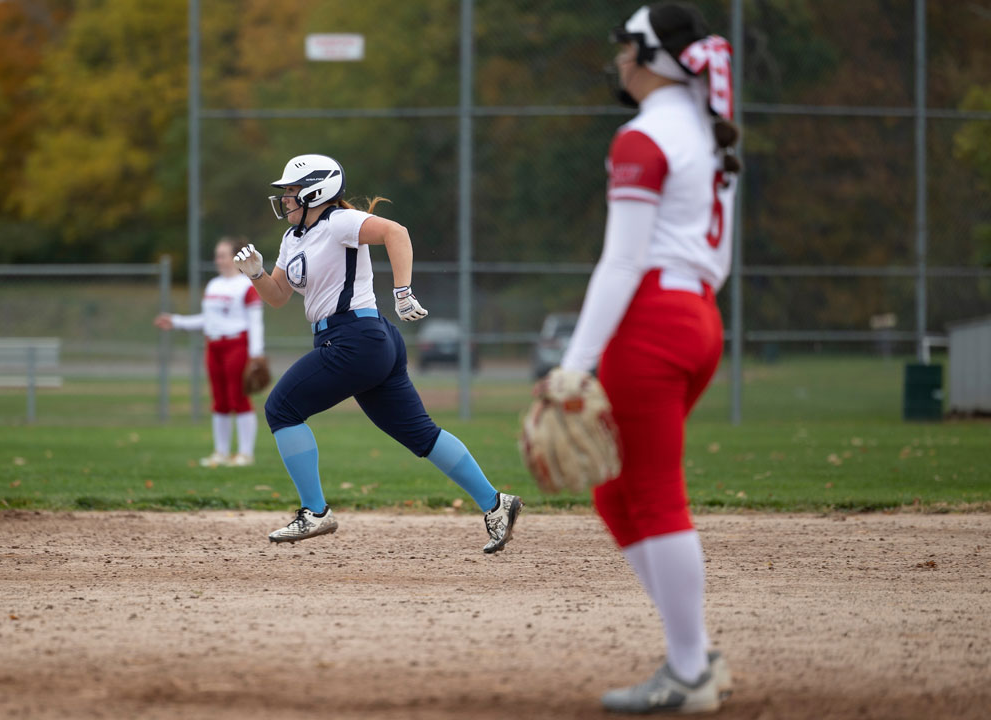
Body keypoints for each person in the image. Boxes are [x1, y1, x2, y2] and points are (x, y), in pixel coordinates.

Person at [561, 3, 741, 714]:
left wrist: (574, 362)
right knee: (616, 489)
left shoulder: (645, 135)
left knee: (655, 492)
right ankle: (693, 653)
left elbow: (622, 261)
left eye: (624, 49)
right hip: (697, 316)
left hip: (652, 325)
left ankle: (691, 670)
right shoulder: (705, 128)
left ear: (648, 57)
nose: (618, 61)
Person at [232, 154, 522, 553]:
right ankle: (496, 503)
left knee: (281, 409)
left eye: (292, 190)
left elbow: (396, 233)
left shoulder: (339, 221)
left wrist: (403, 291)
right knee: (422, 435)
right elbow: (279, 297)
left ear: (318, 190)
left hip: (355, 339)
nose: (285, 198)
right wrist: (256, 275)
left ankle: (315, 512)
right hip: (366, 341)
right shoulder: (292, 238)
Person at [154, 237, 264, 468]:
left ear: (236, 258)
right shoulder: (214, 285)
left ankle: (245, 453)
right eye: (217, 255)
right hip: (214, 345)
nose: (218, 260)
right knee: (220, 400)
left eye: (223, 255)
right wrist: (177, 321)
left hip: (237, 344)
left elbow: (256, 322)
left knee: (239, 398)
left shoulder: (246, 285)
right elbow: (208, 320)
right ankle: (221, 452)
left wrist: (256, 354)